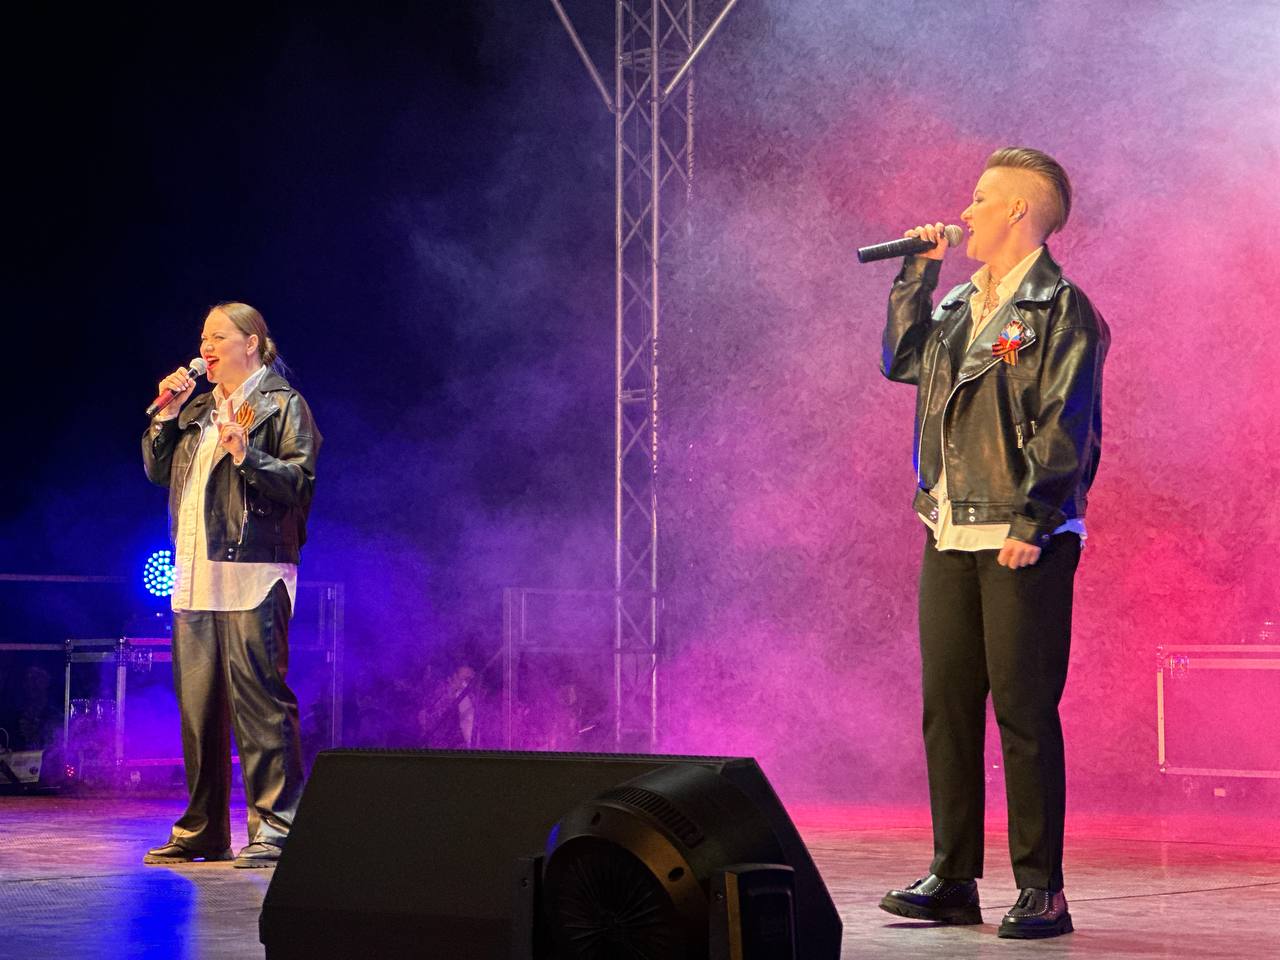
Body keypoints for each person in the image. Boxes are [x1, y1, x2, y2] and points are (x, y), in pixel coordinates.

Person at [876, 148, 1108, 939]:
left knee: (1023, 710)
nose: (964, 212)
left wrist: (1033, 518)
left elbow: (1067, 422)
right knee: (948, 706)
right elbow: (901, 362)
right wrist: (915, 276)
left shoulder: (1061, 310)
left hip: (1020, 532)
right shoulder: (960, 305)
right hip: (948, 527)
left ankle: (1043, 888)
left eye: (980, 198)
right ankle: (952, 876)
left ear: (1019, 210)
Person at [141, 302, 321, 868]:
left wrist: (247, 455)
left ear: (252, 343)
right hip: (196, 570)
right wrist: (166, 416)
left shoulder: (282, 404)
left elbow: (300, 482)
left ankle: (276, 828)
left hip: (252, 571)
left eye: (217, 336)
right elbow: (157, 470)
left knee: (260, 705)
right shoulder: (197, 408)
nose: (205, 348)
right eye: (203, 338)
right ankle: (203, 829)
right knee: (198, 710)